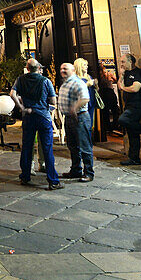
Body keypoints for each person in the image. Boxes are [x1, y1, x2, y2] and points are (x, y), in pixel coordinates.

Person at [11, 58, 62, 190]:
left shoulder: (20, 79)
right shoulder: (45, 81)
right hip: (43, 117)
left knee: (27, 147)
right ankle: (53, 180)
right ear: (38, 68)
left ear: (27, 68)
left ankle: (25, 176)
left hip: (28, 116)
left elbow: (12, 94)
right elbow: (53, 101)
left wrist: (21, 107)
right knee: (47, 148)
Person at [58, 62, 94, 183]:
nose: (62, 70)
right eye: (61, 68)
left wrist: (74, 108)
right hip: (69, 118)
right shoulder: (66, 83)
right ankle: (76, 170)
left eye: (65, 68)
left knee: (84, 146)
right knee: (73, 146)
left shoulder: (78, 82)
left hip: (80, 118)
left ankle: (89, 173)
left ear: (73, 70)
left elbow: (85, 98)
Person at [117, 53, 141, 165]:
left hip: (137, 106)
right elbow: (119, 86)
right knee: (132, 134)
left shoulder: (137, 73)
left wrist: (124, 88)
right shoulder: (126, 73)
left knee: (122, 120)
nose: (121, 64)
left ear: (131, 61)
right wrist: (121, 75)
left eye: (123, 62)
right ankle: (134, 158)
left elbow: (136, 88)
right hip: (128, 106)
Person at [74, 57, 98, 134]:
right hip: (82, 104)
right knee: (83, 126)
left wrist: (96, 85)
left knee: (90, 125)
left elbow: (96, 90)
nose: (86, 66)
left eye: (86, 65)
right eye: (84, 65)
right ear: (79, 66)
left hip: (91, 102)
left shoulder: (88, 77)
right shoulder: (75, 78)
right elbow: (76, 91)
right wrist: (87, 84)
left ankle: (88, 142)